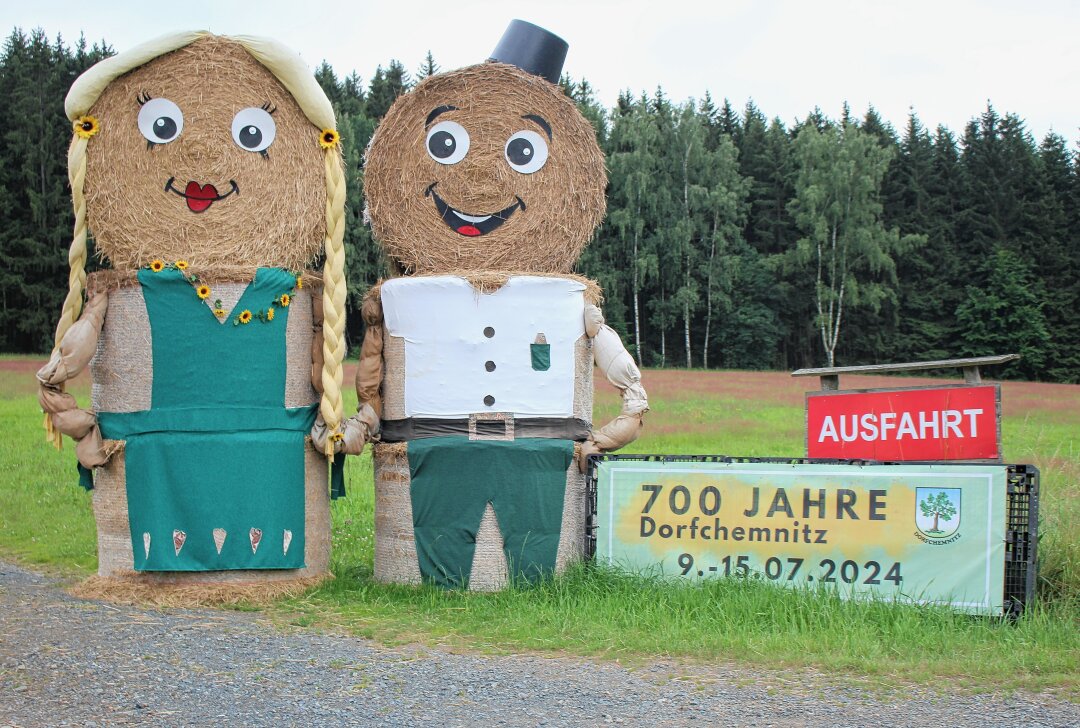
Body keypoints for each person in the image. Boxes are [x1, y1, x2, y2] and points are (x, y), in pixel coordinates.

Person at [38, 32, 368, 579]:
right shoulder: (119, 292)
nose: (205, 158)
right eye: (160, 127)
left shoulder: (297, 292)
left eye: (250, 135)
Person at [361, 20, 647, 589]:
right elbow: (373, 374)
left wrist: (631, 403)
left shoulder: (567, 297)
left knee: (529, 549)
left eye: (520, 152)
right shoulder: (402, 297)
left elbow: (602, 342)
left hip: (534, 440)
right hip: (433, 439)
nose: (479, 180)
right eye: (447, 146)